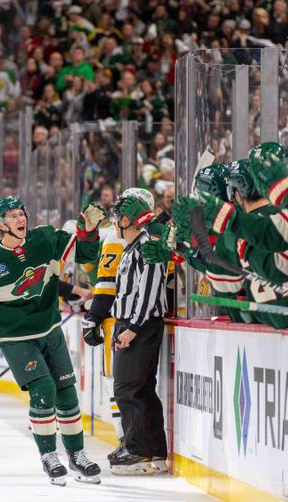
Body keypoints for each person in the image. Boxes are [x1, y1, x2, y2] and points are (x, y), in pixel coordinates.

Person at [0, 196, 104, 485]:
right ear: (0, 225)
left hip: (50, 330)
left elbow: (87, 255)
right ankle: (49, 455)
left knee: (66, 392)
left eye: (21, 213)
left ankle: (76, 455)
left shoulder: (45, 239)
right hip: (16, 338)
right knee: (44, 388)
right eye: (11, 216)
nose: (20, 219)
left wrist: (88, 232)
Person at [80, 187, 156, 462]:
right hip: (144, 318)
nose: (116, 219)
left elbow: (107, 285)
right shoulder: (152, 235)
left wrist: (94, 316)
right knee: (134, 387)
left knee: (121, 385)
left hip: (124, 322)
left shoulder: (117, 237)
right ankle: (133, 440)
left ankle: (128, 440)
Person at [107, 190, 168, 475]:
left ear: (128, 219)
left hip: (139, 325)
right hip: (134, 323)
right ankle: (154, 450)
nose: (115, 222)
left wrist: (132, 327)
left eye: (118, 217)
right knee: (141, 388)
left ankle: (138, 450)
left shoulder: (146, 245)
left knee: (127, 388)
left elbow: (149, 291)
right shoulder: (134, 247)